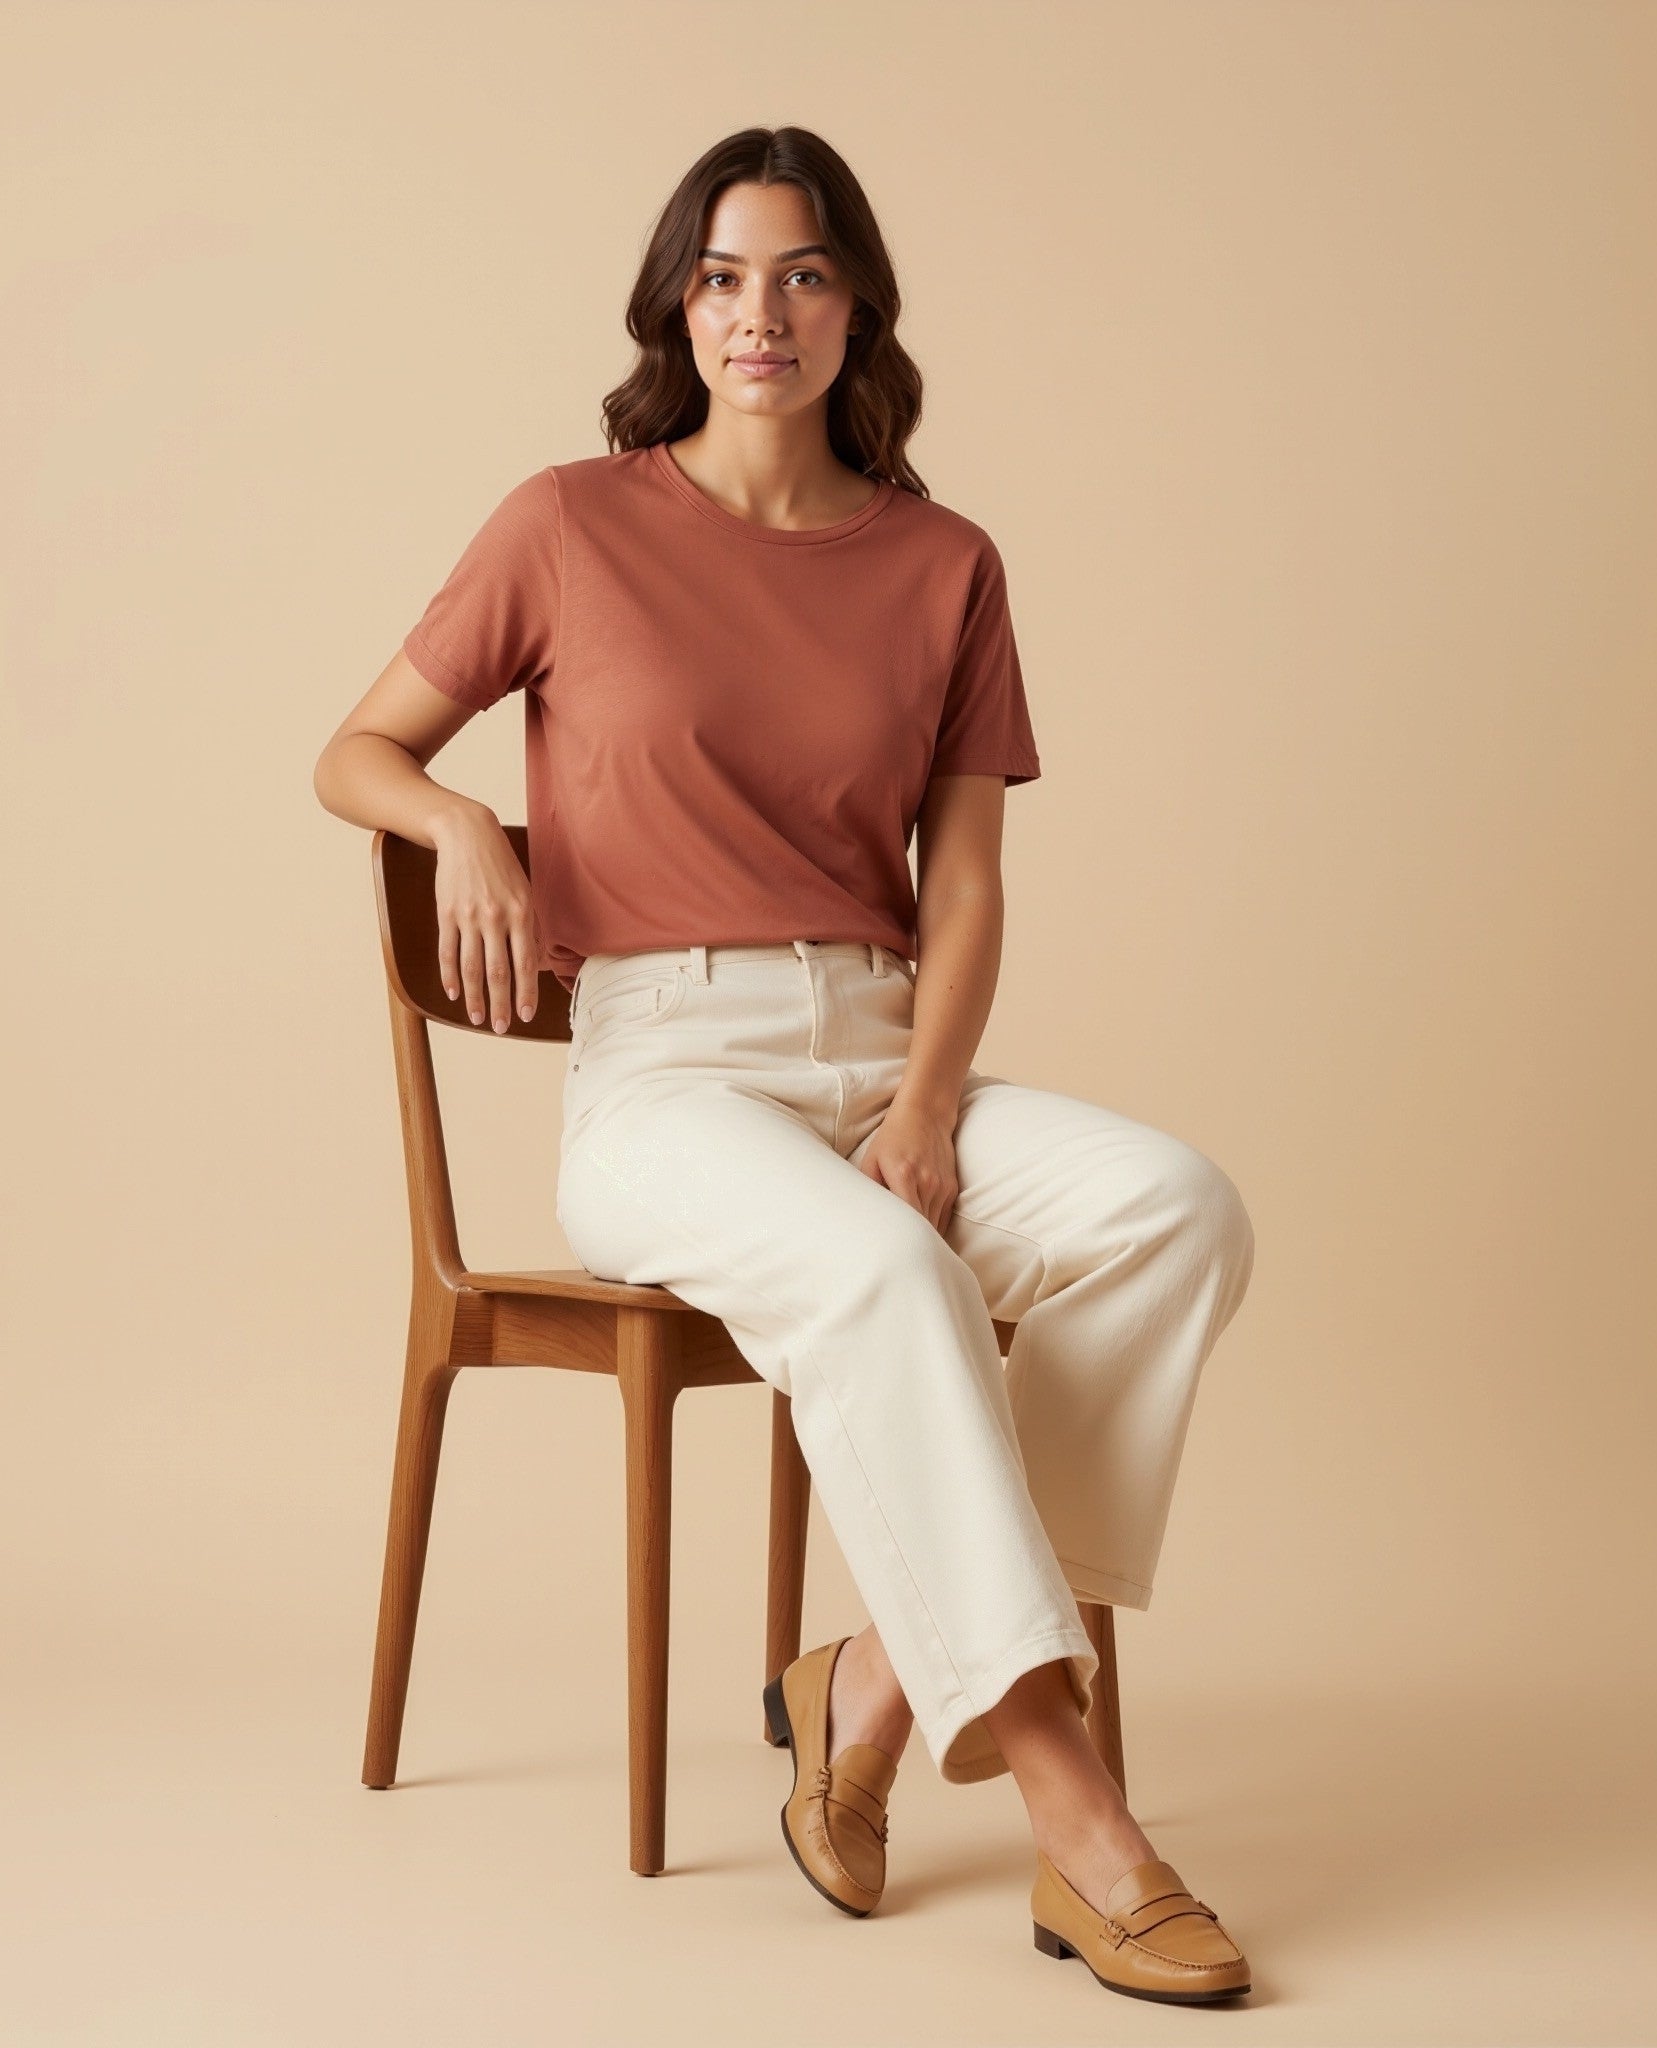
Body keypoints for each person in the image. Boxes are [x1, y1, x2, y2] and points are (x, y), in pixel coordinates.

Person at [314, 125, 1258, 2009]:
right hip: (666, 1084)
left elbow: (966, 885)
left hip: (884, 1054)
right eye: (730, 275)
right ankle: (1082, 1826)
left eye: (807, 274)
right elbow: (354, 751)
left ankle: (876, 1684)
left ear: (857, 312)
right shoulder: (567, 522)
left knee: (1176, 1208)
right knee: (889, 1273)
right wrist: (471, 834)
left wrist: (920, 1111)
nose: (765, 312)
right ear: (683, 299)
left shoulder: (944, 561)